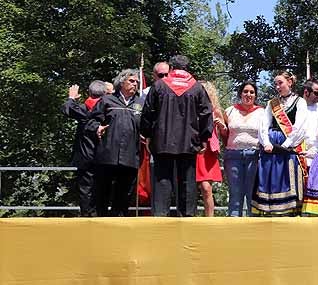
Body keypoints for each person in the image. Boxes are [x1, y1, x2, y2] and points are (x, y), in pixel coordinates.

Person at [140, 55, 213, 217]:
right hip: (189, 142)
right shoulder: (196, 88)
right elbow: (206, 114)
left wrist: (147, 134)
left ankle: (160, 217)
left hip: (162, 142)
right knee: (187, 181)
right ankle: (187, 218)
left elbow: (148, 113)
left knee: (162, 180)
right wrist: (204, 138)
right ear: (187, 68)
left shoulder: (159, 86)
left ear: (171, 68)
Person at [253, 70, 309, 216]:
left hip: (288, 146)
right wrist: (265, 142)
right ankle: (270, 210)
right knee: (270, 175)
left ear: (289, 82)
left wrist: (286, 145)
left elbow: (300, 126)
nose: (277, 86)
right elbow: (264, 124)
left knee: (286, 176)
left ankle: (289, 211)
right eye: (276, 84)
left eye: (280, 83)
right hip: (271, 145)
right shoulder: (272, 103)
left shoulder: (300, 102)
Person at [90, 69, 144, 216]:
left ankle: (119, 225)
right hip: (107, 155)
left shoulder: (141, 103)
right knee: (102, 193)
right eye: (131, 81)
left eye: (137, 82)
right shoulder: (107, 101)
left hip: (130, 156)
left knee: (124, 196)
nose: (135, 84)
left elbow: (148, 126)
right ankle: (99, 224)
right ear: (121, 82)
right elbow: (91, 121)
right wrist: (97, 127)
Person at [62, 80, 106, 216]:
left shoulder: (82, 109)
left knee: (85, 191)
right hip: (103, 156)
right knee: (102, 191)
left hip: (85, 156)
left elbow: (66, 109)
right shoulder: (108, 108)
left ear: (89, 92)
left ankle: (87, 217)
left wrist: (71, 98)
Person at [222, 82, 265, 217]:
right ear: (240, 94)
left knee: (252, 193)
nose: (248, 94)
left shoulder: (262, 112)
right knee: (235, 192)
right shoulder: (229, 111)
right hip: (233, 156)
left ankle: (253, 229)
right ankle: (233, 227)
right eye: (245, 91)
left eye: (252, 92)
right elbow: (224, 135)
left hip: (254, 155)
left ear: (255, 95)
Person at [195, 81, 226, 217]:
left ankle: (210, 220)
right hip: (193, 150)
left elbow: (224, 135)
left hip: (209, 152)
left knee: (206, 188)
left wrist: (222, 127)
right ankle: (188, 217)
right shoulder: (190, 108)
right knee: (189, 189)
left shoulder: (216, 111)